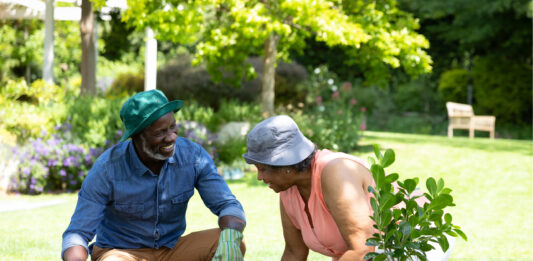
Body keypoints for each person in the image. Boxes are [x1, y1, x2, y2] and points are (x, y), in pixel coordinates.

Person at [62, 89, 246, 261]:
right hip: (121, 252)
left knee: (229, 241)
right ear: (136, 137)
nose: (172, 137)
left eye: (173, 127)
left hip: (171, 249)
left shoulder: (193, 157)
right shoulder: (107, 169)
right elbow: (78, 233)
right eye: (160, 132)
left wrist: (231, 238)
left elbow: (227, 204)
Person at [242, 115, 374, 261]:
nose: (259, 177)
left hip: (392, 251)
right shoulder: (288, 190)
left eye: (262, 169)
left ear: (286, 165)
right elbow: (294, 253)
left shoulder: (335, 172)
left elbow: (364, 250)